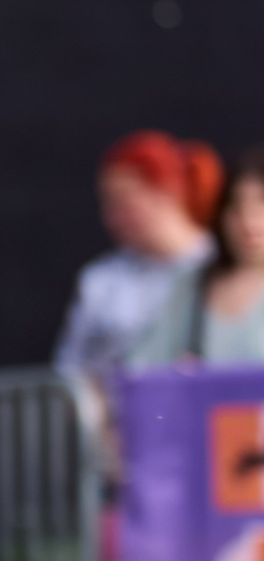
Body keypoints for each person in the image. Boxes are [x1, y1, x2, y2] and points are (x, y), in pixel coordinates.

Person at [57, 132, 219, 383]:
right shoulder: (101, 280)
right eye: (107, 203)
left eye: (122, 201)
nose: (111, 217)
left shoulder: (221, 268)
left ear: (166, 192)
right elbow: (70, 367)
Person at [133, 148, 264, 367]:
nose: (249, 222)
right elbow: (142, 367)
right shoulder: (191, 285)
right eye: (236, 206)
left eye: (261, 202)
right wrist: (174, 375)